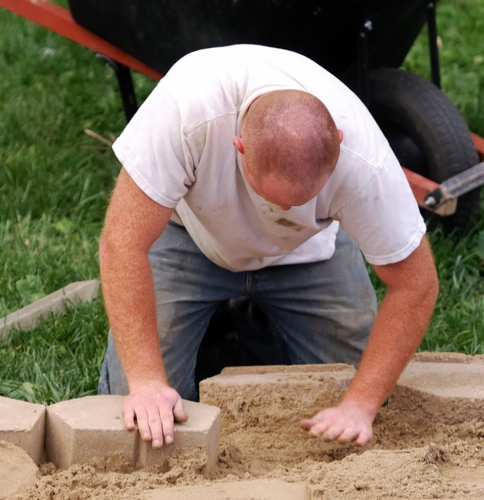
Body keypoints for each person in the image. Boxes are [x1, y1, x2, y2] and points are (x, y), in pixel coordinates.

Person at [96, 44, 439, 449]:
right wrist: (147, 380)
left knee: (365, 385)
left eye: (302, 200)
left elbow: (416, 284)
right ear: (237, 145)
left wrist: (360, 405)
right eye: (273, 199)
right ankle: (219, 325)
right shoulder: (188, 110)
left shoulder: (366, 161)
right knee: (140, 410)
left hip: (309, 251)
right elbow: (122, 243)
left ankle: (250, 325)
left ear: (339, 144)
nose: (284, 210)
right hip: (190, 237)